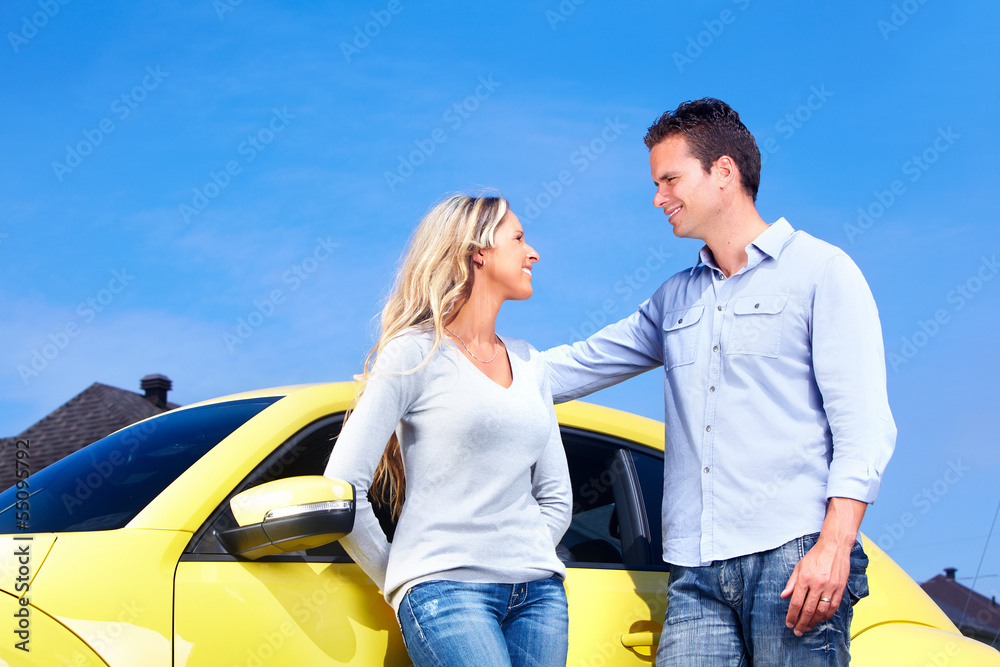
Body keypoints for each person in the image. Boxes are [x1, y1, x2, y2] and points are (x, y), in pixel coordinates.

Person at [541, 98, 896, 666]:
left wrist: (835, 544)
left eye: (670, 179)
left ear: (724, 172)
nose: (659, 198)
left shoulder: (821, 271)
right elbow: (576, 365)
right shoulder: (674, 298)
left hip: (795, 552)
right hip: (697, 572)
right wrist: (449, 364)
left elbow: (864, 424)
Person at [323, 193, 572, 667]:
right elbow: (343, 488)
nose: (533, 252)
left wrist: (526, 547)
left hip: (539, 593)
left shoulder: (530, 363)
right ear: (478, 252)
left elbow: (556, 495)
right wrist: (403, 578)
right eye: (519, 238)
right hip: (446, 590)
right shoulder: (412, 354)